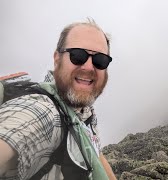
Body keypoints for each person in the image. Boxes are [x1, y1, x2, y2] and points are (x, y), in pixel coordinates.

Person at [0, 19, 117, 180]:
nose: (89, 67)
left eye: (100, 60)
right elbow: (19, 128)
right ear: (57, 58)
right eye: (77, 55)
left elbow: (96, 151)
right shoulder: (45, 111)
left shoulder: (84, 110)